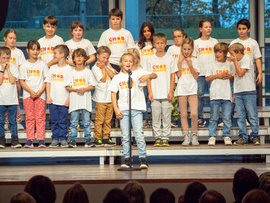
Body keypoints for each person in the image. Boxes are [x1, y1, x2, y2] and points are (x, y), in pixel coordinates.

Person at [109, 53, 157, 169]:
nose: (128, 63)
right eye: (126, 61)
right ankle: (127, 159)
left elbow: (154, 75)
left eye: (130, 61)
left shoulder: (137, 73)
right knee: (125, 135)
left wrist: (147, 76)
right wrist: (116, 108)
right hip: (123, 109)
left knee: (139, 134)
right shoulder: (117, 77)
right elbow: (113, 93)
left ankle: (143, 158)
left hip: (136, 108)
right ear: (121, 63)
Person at [146, 33, 178, 147]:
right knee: (155, 117)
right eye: (157, 43)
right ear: (154, 45)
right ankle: (157, 137)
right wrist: (150, 92)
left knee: (166, 116)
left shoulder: (170, 58)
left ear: (165, 44)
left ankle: (165, 137)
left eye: (162, 43)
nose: (159, 45)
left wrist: (171, 91)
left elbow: (173, 76)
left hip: (166, 92)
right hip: (154, 93)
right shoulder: (150, 59)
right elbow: (148, 76)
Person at [228, 43, 260, 145]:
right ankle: (243, 136)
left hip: (248, 91)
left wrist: (235, 62)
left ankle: (255, 135)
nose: (230, 56)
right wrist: (234, 94)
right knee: (240, 116)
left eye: (232, 54)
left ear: (238, 53)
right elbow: (235, 78)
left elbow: (241, 73)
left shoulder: (247, 58)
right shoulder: (234, 62)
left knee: (252, 115)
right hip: (238, 92)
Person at [19, 40, 48, 148]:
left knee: (40, 117)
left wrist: (40, 92)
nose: (35, 52)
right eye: (32, 49)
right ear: (27, 50)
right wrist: (30, 92)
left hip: (40, 95)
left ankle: (41, 140)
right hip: (28, 95)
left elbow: (46, 80)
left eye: (37, 49)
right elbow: (22, 80)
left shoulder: (42, 64)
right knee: (30, 117)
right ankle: (29, 140)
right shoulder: (24, 65)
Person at [65, 48, 95, 148]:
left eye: (81, 56)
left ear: (85, 58)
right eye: (77, 56)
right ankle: (72, 140)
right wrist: (75, 90)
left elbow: (92, 86)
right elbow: (67, 86)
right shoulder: (71, 72)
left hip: (85, 101)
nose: (79, 58)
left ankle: (88, 140)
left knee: (86, 122)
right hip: (75, 101)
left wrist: (84, 89)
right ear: (73, 58)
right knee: (74, 122)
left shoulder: (88, 72)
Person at [206, 42, 234, 146]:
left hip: (227, 95)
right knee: (214, 117)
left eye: (220, 52)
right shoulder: (211, 65)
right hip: (215, 95)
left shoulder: (229, 64)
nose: (217, 54)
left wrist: (228, 76)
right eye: (216, 52)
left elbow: (234, 78)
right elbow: (207, 78)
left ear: (226, 53)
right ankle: (212, 136)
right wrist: (217, 75)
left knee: (227, 117)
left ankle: (227, 136)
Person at [45, 45, 72, 148]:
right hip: (53, 100)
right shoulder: (52, 68)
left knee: (63, 121)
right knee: (54, 120)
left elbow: (71, 86)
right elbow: (48, 82)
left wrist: (68, 99)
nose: (53, 55)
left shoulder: (69, 69)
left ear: (62, 55)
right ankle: (55, 139)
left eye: (55, 53)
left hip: (64, 101)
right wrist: (48, 96)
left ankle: (64, 138)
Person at [175, 38, 200, 146]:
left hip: (192, 89)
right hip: (181, 90)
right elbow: (178, 75)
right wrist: (180, 62)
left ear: (192, 49)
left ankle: (194, 134)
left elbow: (195, 76)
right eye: (184, 49)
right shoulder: (178, 60)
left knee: (194, 113)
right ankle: (186, 135)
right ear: (181, 48)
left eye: (189, 49)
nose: (186, 51)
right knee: (183, 114)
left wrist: (190, 64)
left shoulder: (195, 60)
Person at [194, 20, 218, 127]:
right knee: (199, 95)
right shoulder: (196, 43)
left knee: (215, 95)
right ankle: (200, 117)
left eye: (210, 27)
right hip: (200, 74)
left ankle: (215, 117)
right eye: (206, 27)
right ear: (201, 29)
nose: (208, 29)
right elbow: (194, 59)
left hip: (212, 74)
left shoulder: (214, 42)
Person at [97, 8, 135, 73]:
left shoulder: (127, 33)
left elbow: (131, 51)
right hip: (110, 63)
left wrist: (129, 64)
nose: (115, 21)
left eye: (118, 19)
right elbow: (101, 52)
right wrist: (110, 67)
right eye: (113, 19)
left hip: (125, 64)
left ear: (122, 19)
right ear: (109, 20)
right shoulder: (105, 34)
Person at [92, 46, 115, 147]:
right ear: (97, 56)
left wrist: (105, 66)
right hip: (100, 98)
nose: (105, 60)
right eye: (103, 58)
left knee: (107, 120)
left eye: (107, 58)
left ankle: (106, 137)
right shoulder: (95, 68)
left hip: (109, 98)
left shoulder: (106, 66)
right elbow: (104, 79)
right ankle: (97, 137)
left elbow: (112, 75)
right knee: (100, 120)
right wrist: (102, 68)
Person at [4, 29, 26, 130]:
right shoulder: (2, 51)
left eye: (14, 38)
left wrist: (13, 75)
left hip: (15, 81)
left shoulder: (18, 52)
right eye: (10, 38)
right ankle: (5, 121)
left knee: (15, 101)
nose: (12, 40)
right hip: (3, 81)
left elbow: (21, 65)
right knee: (3, 101)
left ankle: (16, 121)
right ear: (5, 39)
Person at [0, 47, 22, 148]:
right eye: (4, 58)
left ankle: (14, 141)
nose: (6, 60)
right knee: (1, 121)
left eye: (8, 58)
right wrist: (2, 70)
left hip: (12, 100)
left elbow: (13, 81)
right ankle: (1, 140)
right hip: (1, 100)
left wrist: (8, 69)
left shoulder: (13, 67)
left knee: (13, 121)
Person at [229, 18, 262, 85]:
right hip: (235, 75)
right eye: (239, 29)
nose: (241, 31)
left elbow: (257, 59)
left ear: (249, 29)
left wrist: (260, 73)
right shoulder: (233, 42)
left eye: (244, 29)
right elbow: (229, 59)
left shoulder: (253, 43)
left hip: (248, 74)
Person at [136, 22, 156, 128]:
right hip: (142, 77)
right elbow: (136, 62)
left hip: (153, 77)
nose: (147, 33)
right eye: (144, 31)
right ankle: (144, 119)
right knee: (143, 98)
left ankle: (153, 119)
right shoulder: (138, 46)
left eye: (149, 31)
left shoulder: (156, 45)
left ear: (152, 31)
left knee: (153, 98)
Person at [167, 28, 187, 128]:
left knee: (184, 102)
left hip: (186, 79)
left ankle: (185, 121)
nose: (177, 39)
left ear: (184, 36)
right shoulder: (171, 49)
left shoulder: (187, 48)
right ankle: (174, 120)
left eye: (179, 36)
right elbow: (169, 63)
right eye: (175, 37)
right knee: (173, 101)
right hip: (174, 78)